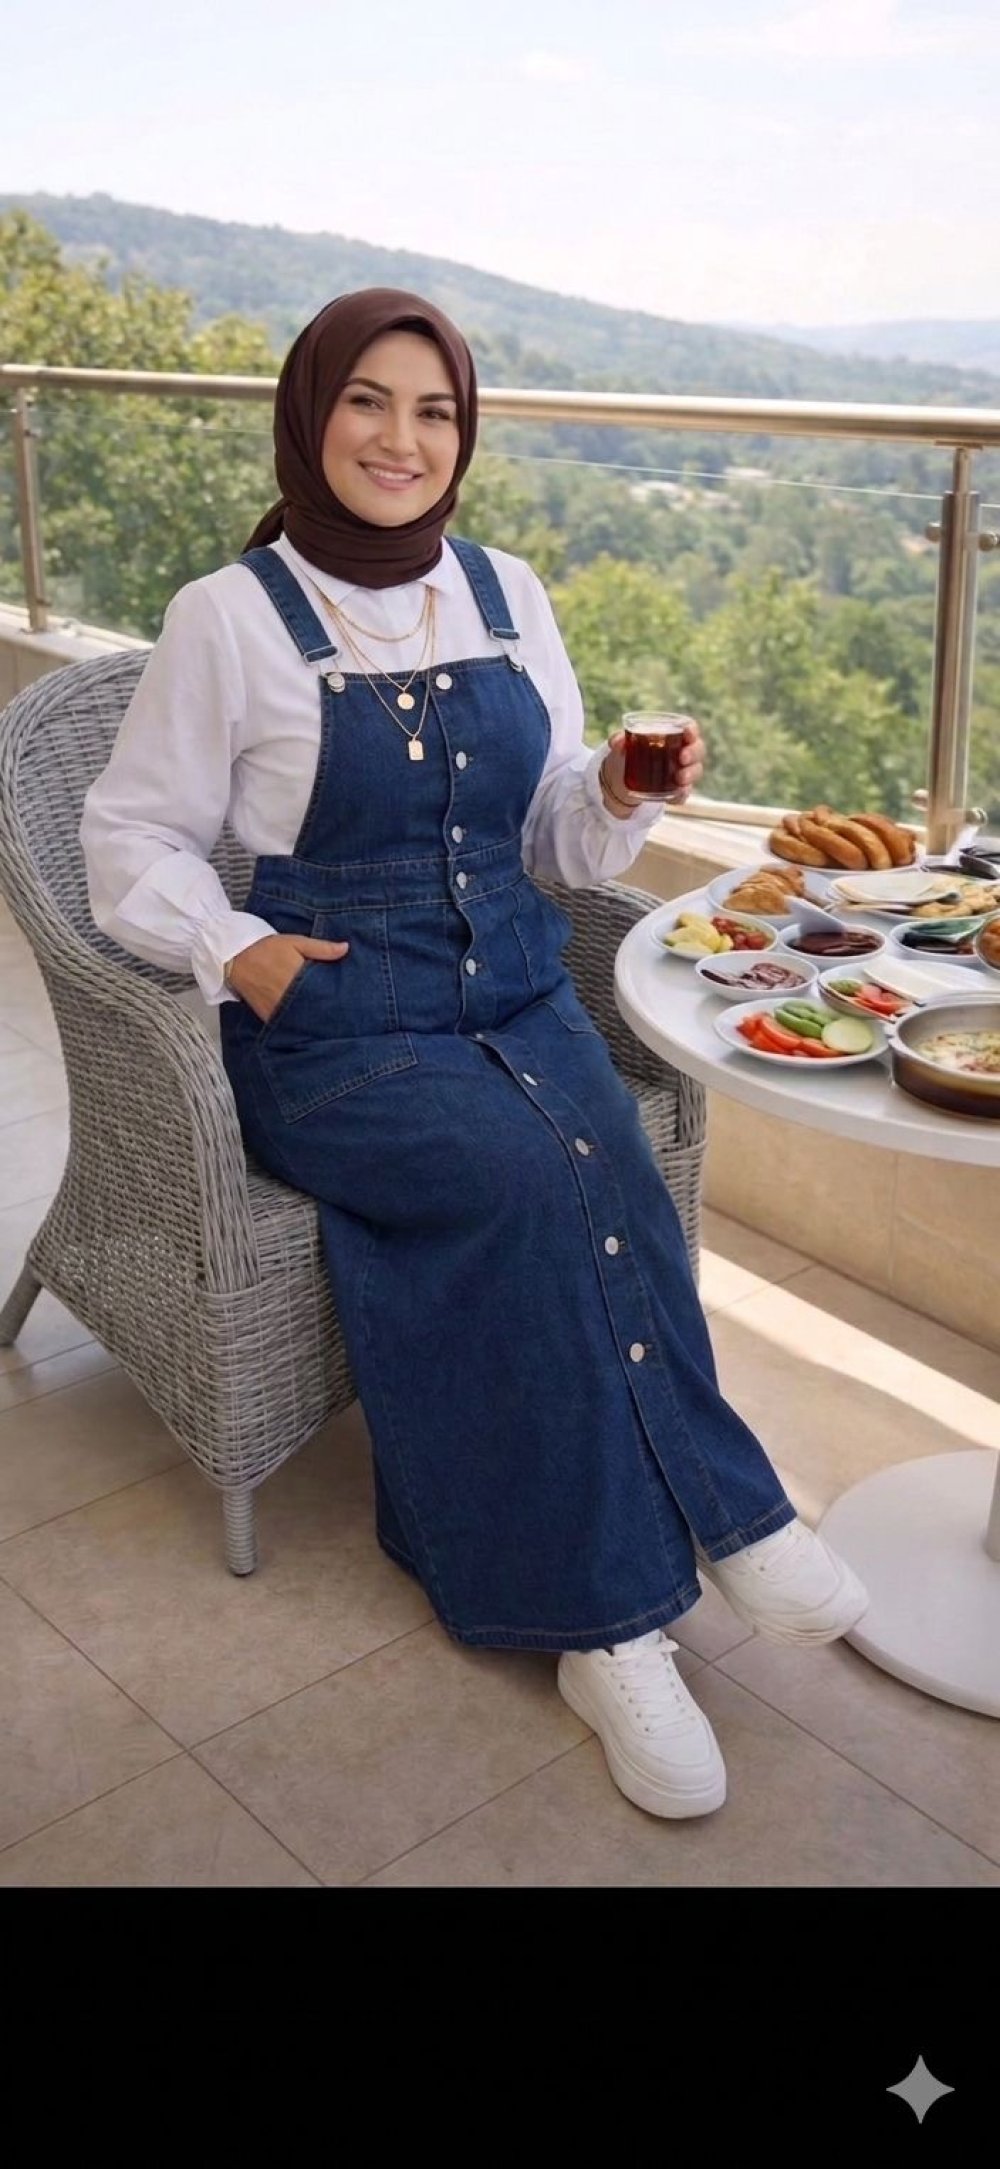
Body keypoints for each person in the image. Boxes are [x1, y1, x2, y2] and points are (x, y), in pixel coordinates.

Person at [80, 287, 868, 1822]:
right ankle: (607, 1620)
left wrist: (617, 788)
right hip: (336, 1022)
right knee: (526, 1180)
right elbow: (127, 835)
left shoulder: (508, 592)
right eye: (368, 401)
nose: (402, 438)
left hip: (513, 988)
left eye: (434, 410)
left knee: (608, 1154)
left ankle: (728, 1521)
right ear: (312, 416)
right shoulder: (228, 615)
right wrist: (231, 946)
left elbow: (549, 837)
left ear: (466, 434)